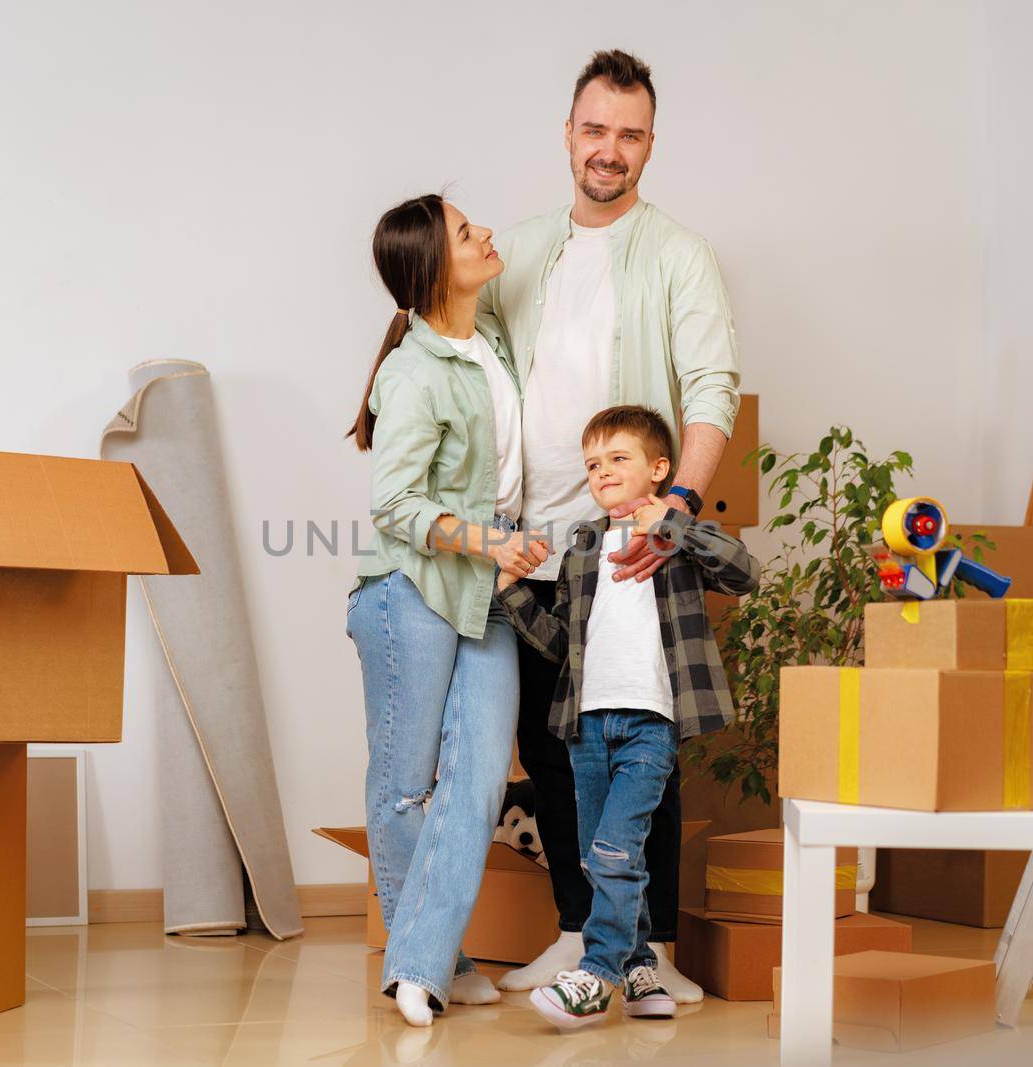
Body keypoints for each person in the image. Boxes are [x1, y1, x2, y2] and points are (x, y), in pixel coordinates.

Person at [477, 49, 742, 1000]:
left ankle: (654, 947)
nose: (610, 150)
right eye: (596, 130)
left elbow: (714, 386)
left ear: (650, 145)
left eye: (629, 135)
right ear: (570, 133)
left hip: (631, 548)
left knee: (643, 739)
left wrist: (678, 507)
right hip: (535, 539)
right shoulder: (521, 249)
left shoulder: (679, 255)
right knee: (551, 744)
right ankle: (580, 927)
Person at [345, 194, 551, 1027]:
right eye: (468, 233)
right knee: (404, 789)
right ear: (434, 268)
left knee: (474, 782)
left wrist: (511, 544)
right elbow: (395, 503)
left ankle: (421, 961)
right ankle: (430, 964)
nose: (487, 233)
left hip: (487, 586)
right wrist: (488, 543)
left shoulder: (493, 340)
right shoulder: (411, 371)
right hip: (410, 590)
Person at [496, 405, 756, 1030]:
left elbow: (744, 572)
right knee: (598, 853)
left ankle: (598, 973)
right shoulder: (584, 547)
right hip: (587, 726)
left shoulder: (675, 536)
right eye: (592, 464)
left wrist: (677, 524)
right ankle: (641, 969)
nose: (603, 472)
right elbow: (559, 643)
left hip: (650, 723)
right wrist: (507, 590)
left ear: (659, 469)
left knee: (617, 847)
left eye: (619, 459)